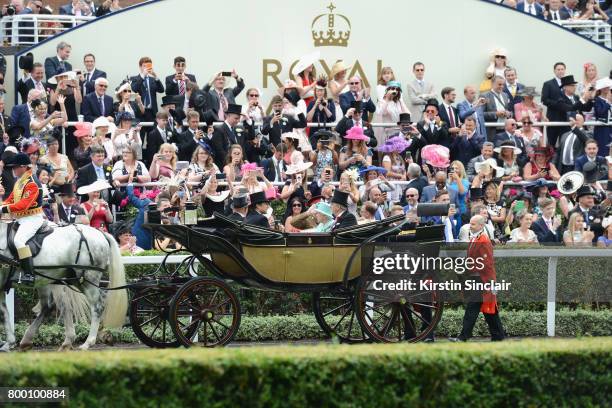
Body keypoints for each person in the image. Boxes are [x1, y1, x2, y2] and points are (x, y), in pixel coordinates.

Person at [450, 215, 505, 342]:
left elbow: (486, 262)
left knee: (473, 308)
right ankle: (498, 335)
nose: (470, 226)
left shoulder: (483, 239)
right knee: (489, 310)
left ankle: (463, 336)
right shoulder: (477, 238)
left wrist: (468, 268)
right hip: (481, 279)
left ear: (481, 225)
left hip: (483, 280)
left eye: (473, 224)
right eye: (470, 223)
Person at [0, 153, 43, 276]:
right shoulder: (20, 181)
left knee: (19, 241)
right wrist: (1, 205)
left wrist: (2, 210)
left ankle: (29, 274)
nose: (13, 170)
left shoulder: (32, 183)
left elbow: (23, 205)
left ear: (24, 167)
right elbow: (11, 199)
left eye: (15, 167)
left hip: (32, 219)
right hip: (21, 219)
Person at [374, 81, 409, 149]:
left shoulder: (398, 102)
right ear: (388, 89)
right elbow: (380, 113)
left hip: (399, 132)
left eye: (397, 89)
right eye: (392, 88)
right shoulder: (382, 102)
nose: (395, 91)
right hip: (388, 132)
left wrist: (401, 100)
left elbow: (408, 114)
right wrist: (387, 99)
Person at [130, 57, 165, 123]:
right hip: (140, 110)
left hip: (152, 111)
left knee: (152, 132)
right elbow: (134, 89)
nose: (146, 68)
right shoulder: (134, 78)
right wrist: (143, 76)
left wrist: (156, 77)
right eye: (144, 66)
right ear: (140, 67)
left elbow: (161, 90)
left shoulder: (153, 79)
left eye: (148, 66)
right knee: (141, 132)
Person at [541, 62, 568, 146]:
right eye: (558, 69)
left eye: (562, 69)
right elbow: (544, 100)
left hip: (566, 119)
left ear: (565, 70)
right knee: (551, 144)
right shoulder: (548, 84)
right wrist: (557, 104)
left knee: (564, 143)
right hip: (553, 118)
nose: (560, 71)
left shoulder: (568, 83)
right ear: (554, 71)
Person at [211, 104, 244, 169]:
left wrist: (243, 160)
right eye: (236, 118)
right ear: (228, 116)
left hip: (237, 164)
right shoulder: (219, 130)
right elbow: (219, 151)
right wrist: (230, 162)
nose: (238, 121)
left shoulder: (236, 129)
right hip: (225, 165)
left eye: (239, 119)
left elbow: (241, 147)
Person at [306, 78, 335, 143]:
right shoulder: (312, 103)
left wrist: (325, 107)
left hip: (327, 132)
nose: (319, 93)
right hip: (314, 133)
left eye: (321, 91)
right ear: (315, 92)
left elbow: (332, 118)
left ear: (324, 92)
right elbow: (308, 118)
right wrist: (315, 106)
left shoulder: (330, 102)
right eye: (318, 91)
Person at [483, 76, 512, 140]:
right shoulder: (485, 96)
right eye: (499, 84)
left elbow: (510, 111)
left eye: (503, 85)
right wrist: (496, 114)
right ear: (492, 84)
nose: (501, 86)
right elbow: (481, 114)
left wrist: (508, 114)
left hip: (505, 129)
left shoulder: (505, 95)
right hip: (492, 130)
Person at [593, 77, 611, 154]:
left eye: (608, 87)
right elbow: (600, 112)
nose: (606, 89)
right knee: (603, 149)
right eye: (604, 87)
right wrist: (608, 102)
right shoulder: (597, 100)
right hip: (602, 129)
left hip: (610, 128)